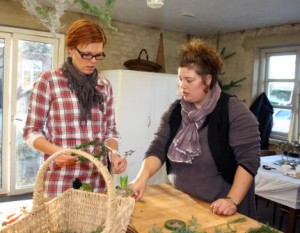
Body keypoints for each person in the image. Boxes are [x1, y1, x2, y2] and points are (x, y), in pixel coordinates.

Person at [130, 38, 261, 219]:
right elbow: (158, 148)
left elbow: (249, 160)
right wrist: (141, 177)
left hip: (220, 208)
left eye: (189, 80)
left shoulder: (234, 110)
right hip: (182, 202)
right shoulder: (176, 111)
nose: (182, 85)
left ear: (207, 79)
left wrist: (231, 200)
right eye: (180, 79)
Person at [23, 19, 126, 197]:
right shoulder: (49, 81)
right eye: (86, 54)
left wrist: (114, 154)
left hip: (97, 182)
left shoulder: (104, 85)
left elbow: (110, 130)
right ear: (70, 48)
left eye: (98, 55)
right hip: (60, 182)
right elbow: (31, 132)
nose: (93, 61)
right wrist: (57, 153)